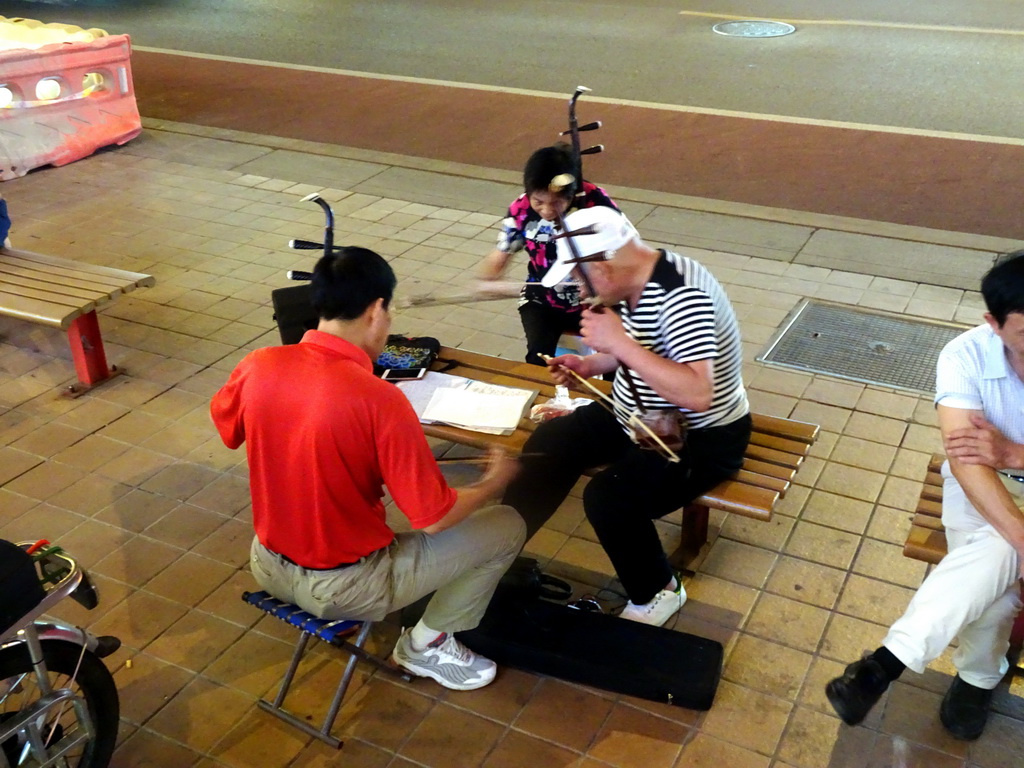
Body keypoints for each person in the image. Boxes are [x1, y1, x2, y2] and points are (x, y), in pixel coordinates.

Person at [210, 247, 526, 691]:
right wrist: (495, 482)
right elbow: (433, 518)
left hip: (267, 565)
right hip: (345, 589)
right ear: (377, 310)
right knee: (506, 525)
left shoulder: (258, 363)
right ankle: (426, 646)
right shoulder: (379, 398)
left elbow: (228, 429)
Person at [501, 206, 751, 627]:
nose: (579, 287)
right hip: (636, 411)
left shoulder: (683, 295)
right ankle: (496, 555)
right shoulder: (639, 276)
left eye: (580, 275)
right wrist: (592, 364)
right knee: (549, 445)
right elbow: (643, 349)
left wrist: (620, 344)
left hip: (701, 437)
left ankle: (659, 591)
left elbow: (699, 394)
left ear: (605, 263)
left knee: (611, 497)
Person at [825, 250, 1024, 741]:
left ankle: (884, 665)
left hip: (1009, 469)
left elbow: (996, 454)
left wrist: (1016, 453)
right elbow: (968, 462)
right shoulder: (964, 355)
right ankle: (977, 679)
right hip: (984, 488)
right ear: (993, 325)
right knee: (998, 590)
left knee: (995, 584)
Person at [477, 143, 620, 366]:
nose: (546, 210)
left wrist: (605, 287)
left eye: (557, 202)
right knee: (538, 359)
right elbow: (501, 253)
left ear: (572, 194)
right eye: (539, 202)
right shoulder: (521, 208)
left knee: (614, 358)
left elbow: (622, 255)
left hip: (595, 299)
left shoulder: (597, 204)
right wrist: (487, 282)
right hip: (541, 297)